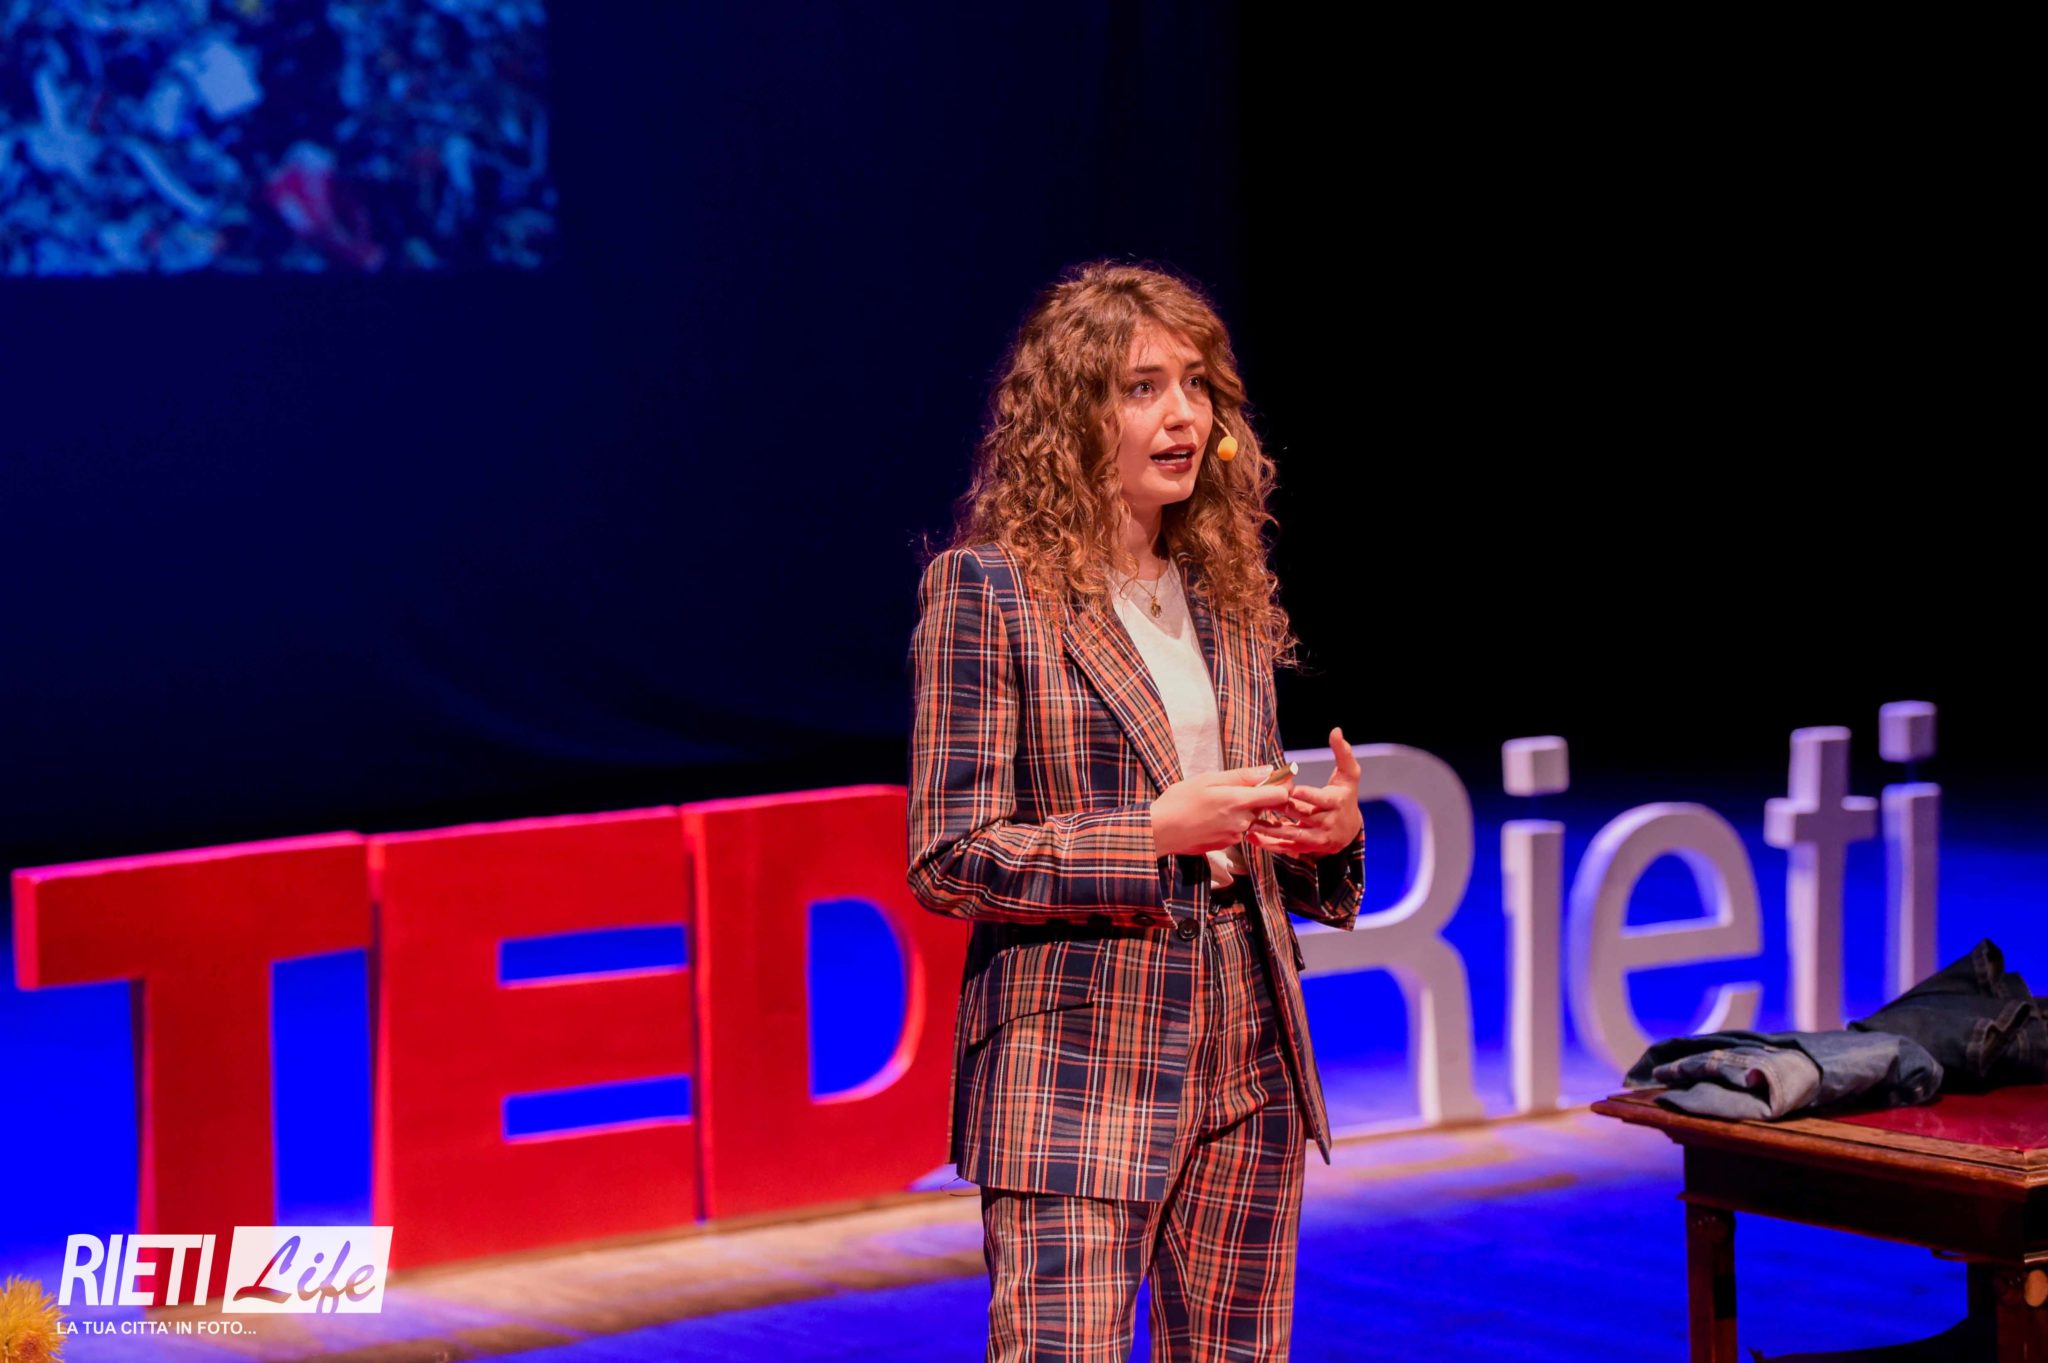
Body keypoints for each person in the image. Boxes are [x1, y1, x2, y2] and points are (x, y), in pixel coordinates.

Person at [906, 260, 1365, 1362]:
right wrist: (1152, 835)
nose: (1182, 415)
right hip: (1079, 1060)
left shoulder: (1221, 588)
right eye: (1141, 387)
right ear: (1073, 415)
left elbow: (1234, 818)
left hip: (1246, 1044)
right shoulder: (988, 591)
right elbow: (950, 855)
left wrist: (1322, 838)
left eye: (1196, 384)